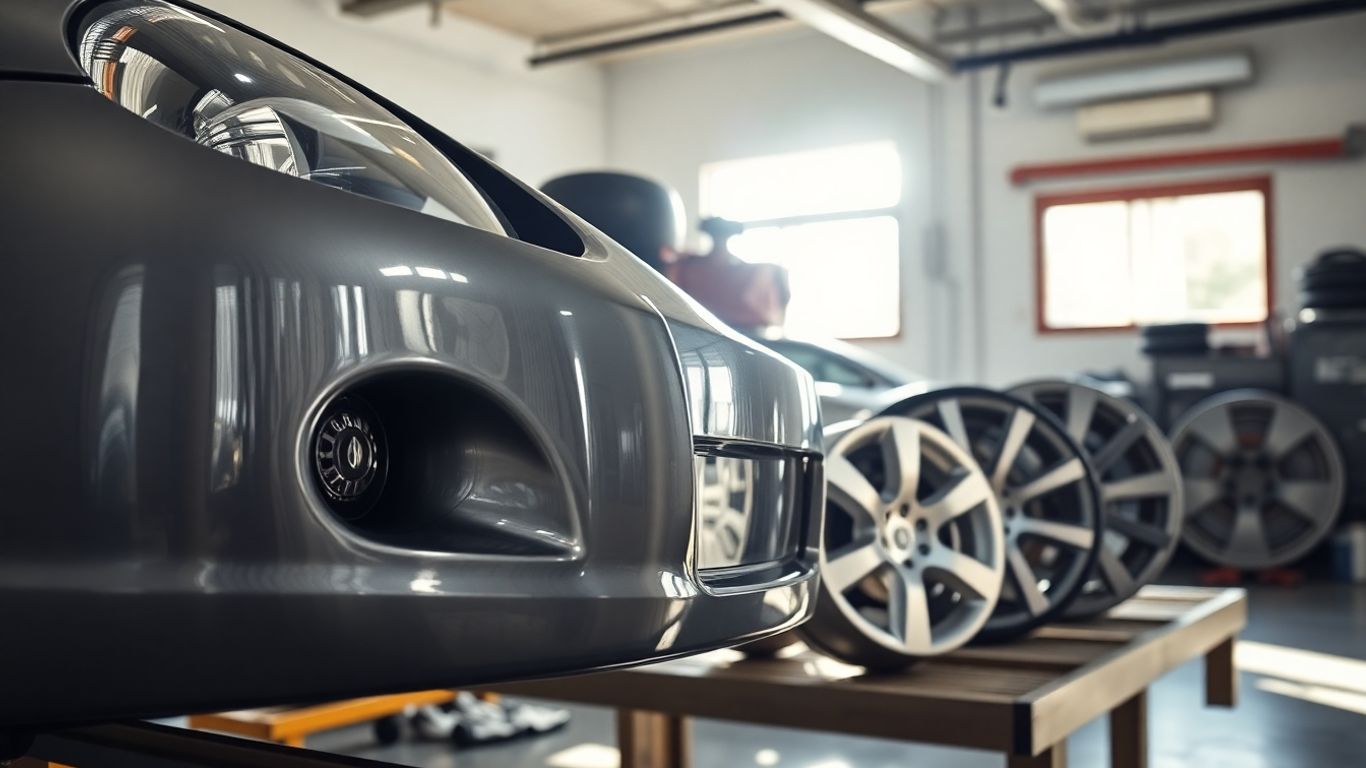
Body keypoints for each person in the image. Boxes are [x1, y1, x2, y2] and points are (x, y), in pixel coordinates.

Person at [667, 217, 790, 331]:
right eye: (717, 236)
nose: (719, 241)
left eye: (722, 236)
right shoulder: (688, 266)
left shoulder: (755, 271)